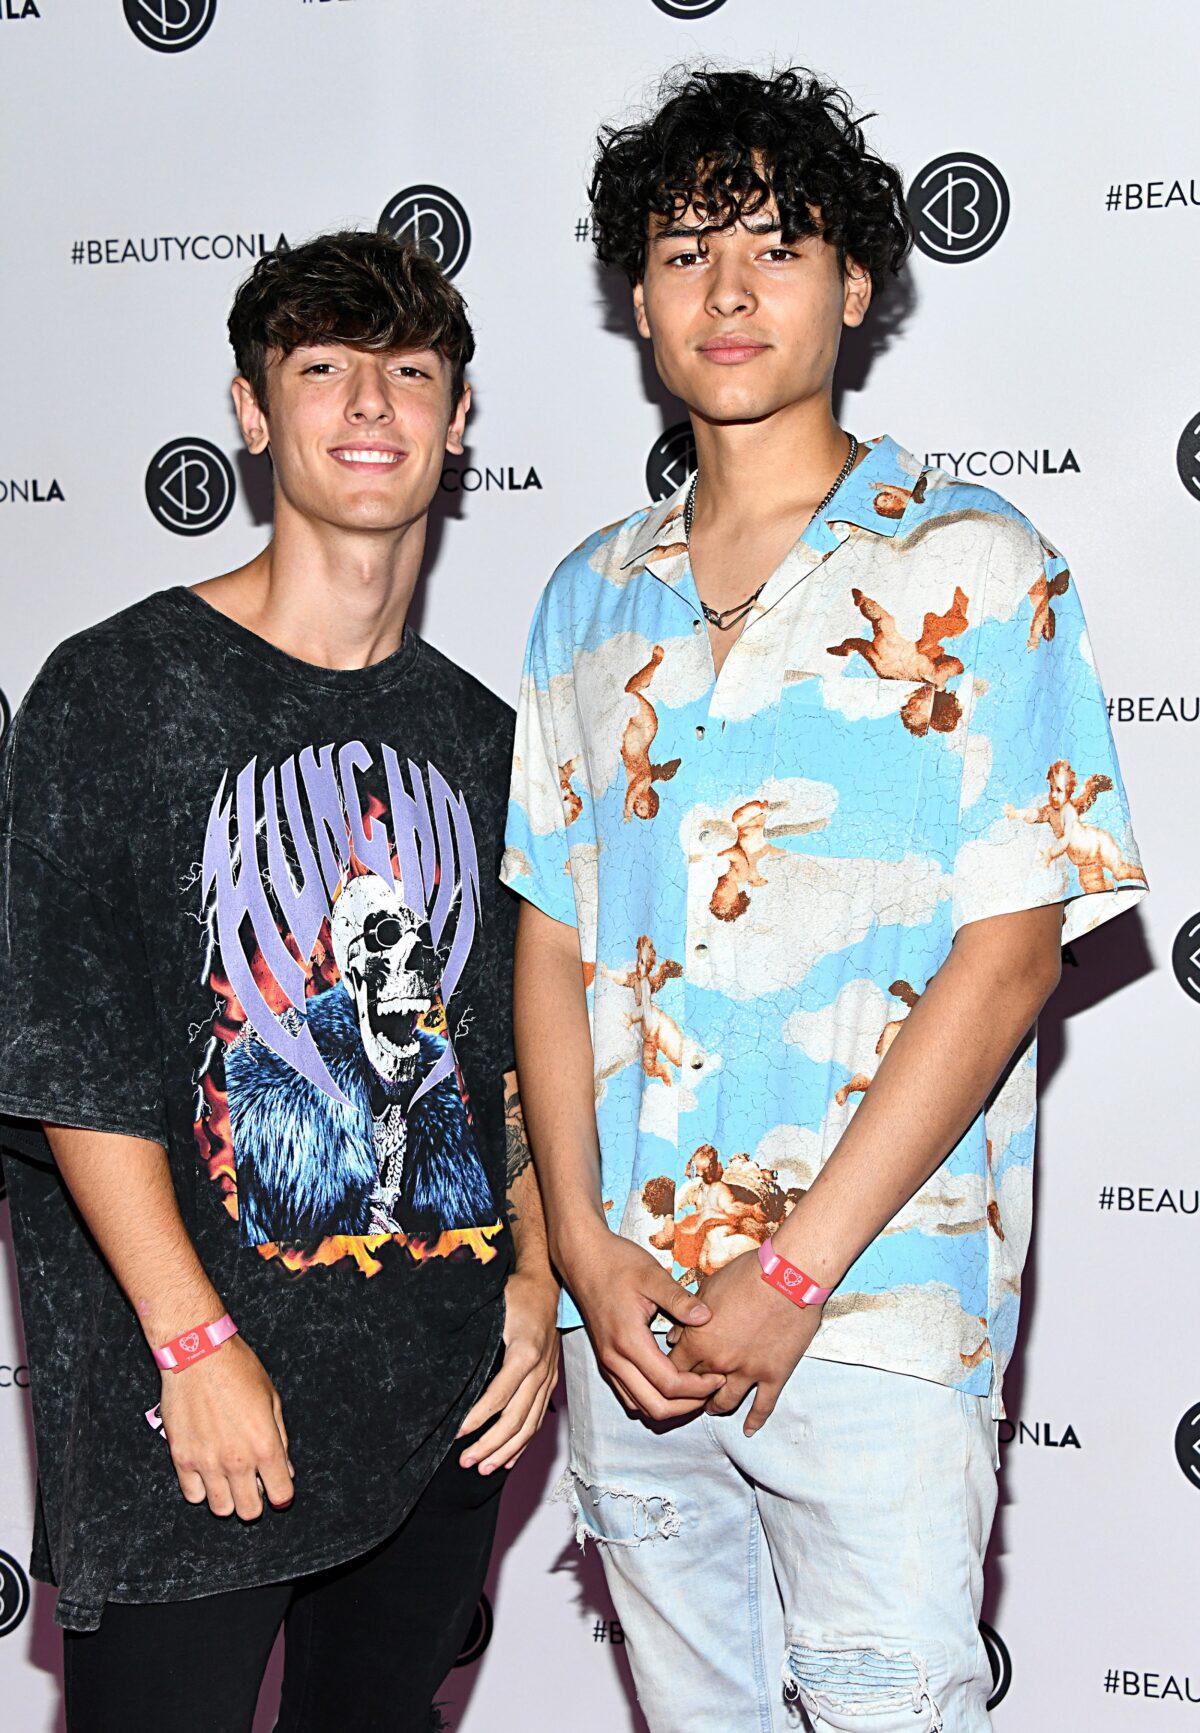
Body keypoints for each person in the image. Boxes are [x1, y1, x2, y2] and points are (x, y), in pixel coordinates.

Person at [504, 67, 1146, 1732]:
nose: (727, 287)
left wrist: (786, 1278)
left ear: (856, 286)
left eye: (776, 245)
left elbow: (1010, 960)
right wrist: (575, 1241)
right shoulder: (588, 594)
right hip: (627, 1322)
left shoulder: (977, 565)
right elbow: (554, 938)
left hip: (866, 1316)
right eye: (683, 247)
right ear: (636, 296)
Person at [0, 228, 559, 1733]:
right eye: (322, 368)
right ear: (253, 412)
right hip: (194, 1411)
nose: (369, 404)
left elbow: (500, 1054)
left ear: (455, 421)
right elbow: (68, 1052)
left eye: (409, 372)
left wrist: (534, 1278)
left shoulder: (487, 738)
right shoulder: (115, 689)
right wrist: (192, 1340)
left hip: (437, 1415)